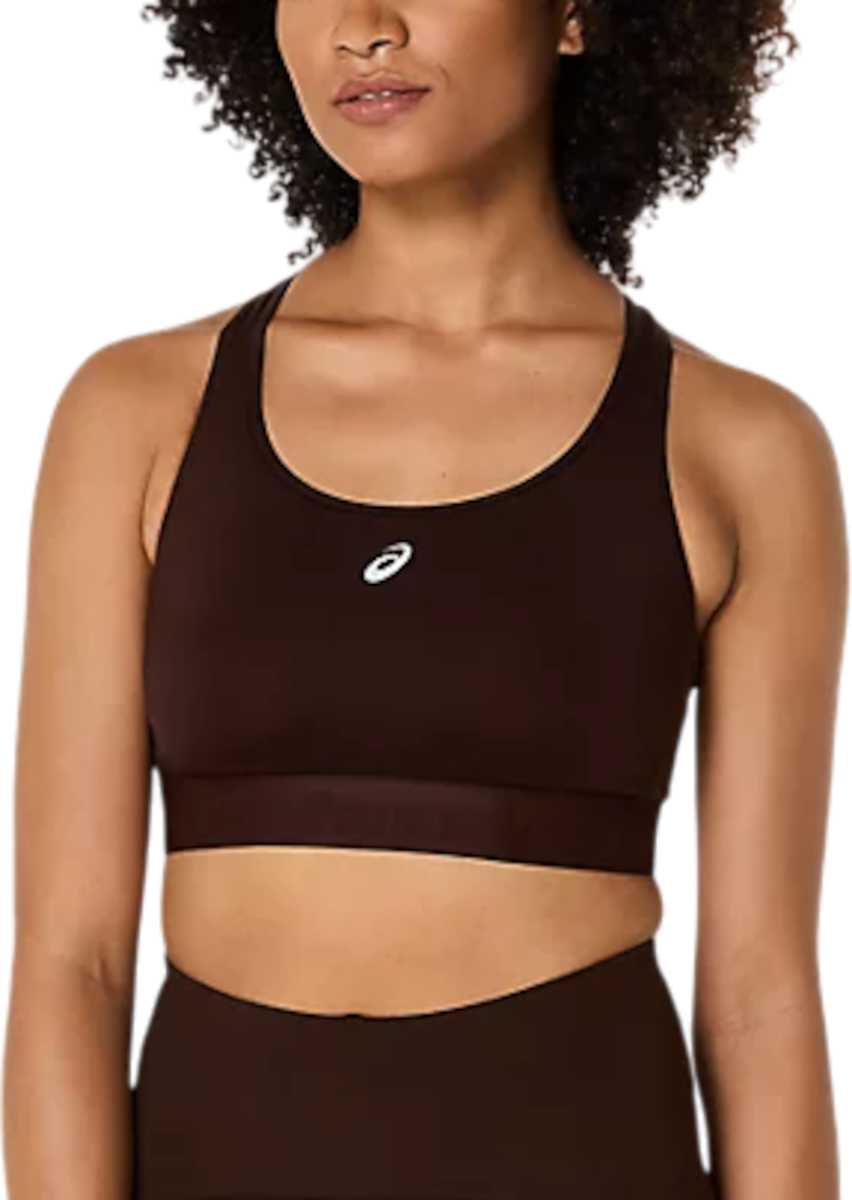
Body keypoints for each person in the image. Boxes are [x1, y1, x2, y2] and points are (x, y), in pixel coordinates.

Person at [7, 0, 844, 1198]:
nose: (364, 27)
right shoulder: (135, 408)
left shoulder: (740, 443)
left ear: (576, 13)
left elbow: (761, 995)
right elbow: (67, 962)